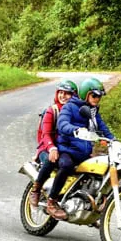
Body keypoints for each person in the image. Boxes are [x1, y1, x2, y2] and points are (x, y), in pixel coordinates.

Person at [44, 77, 114, 221]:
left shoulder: (93, 112)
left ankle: (90, 206)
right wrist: (75, 130)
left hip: (83, 152)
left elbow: (104, 129)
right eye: (94, 95)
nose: (97, 98)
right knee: (66, 165)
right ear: (85, 94)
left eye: (99, 96)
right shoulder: (70, 106)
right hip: (67, 149)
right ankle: (51, 201)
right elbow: (62, 124)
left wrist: (115, 142)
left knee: (99, 170)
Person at [30, 79, 77, 207]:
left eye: (67, 93)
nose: (63, 96)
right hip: (47, 148)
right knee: (52, 160)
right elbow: (45, 134)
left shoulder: (76, 113)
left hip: (65, 149)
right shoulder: (53, 110)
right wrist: (51, 148)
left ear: (74, 96)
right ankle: (36, 189)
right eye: (61, 92)